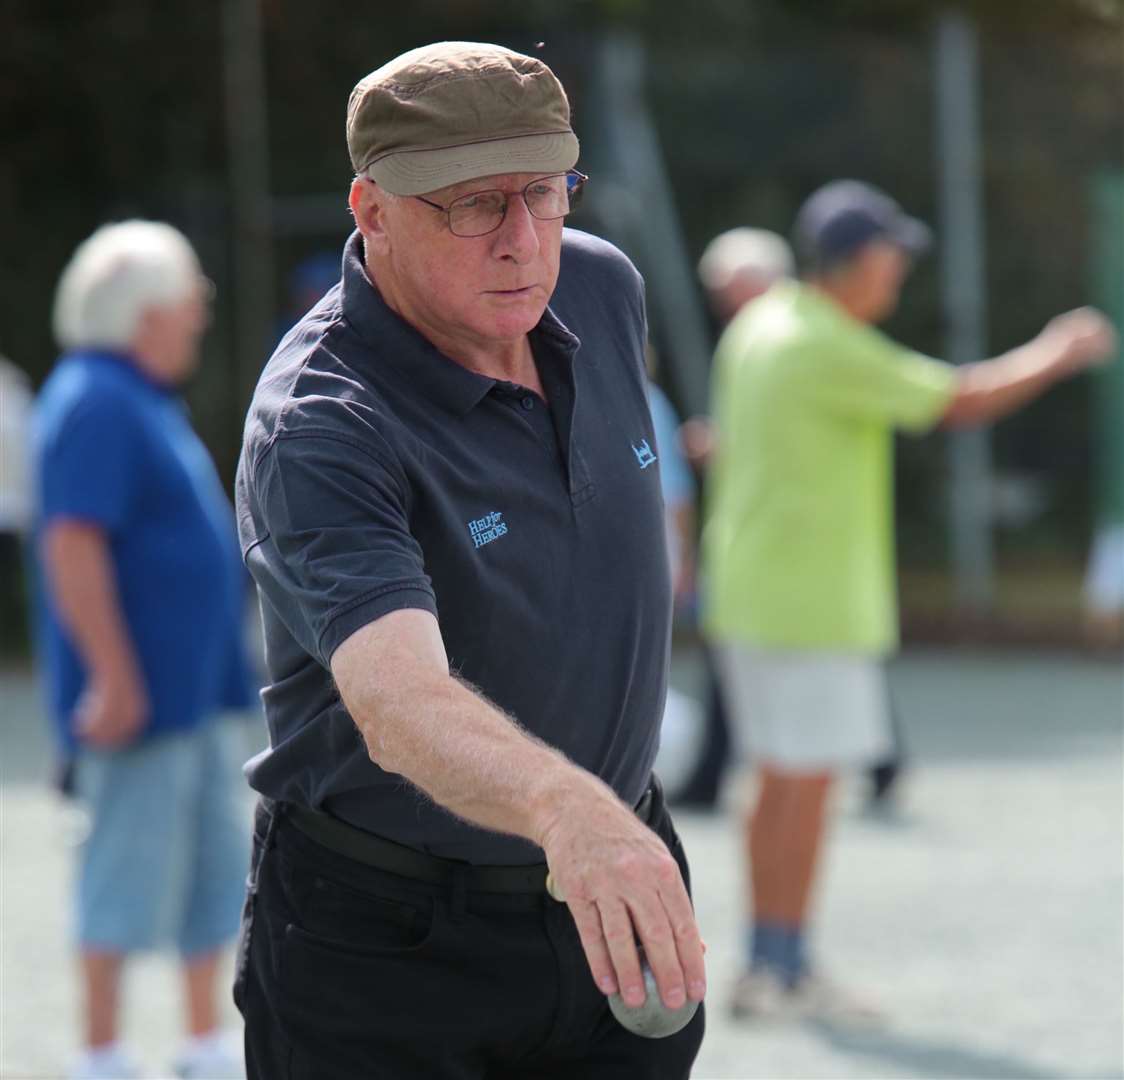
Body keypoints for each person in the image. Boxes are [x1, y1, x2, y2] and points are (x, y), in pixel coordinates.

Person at [233, 41, 706, 1079]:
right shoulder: (321, 424)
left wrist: (604, 829)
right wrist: (566, 807)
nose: (522, 242)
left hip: (609, 891)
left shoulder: (599, 289)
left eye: (542, 192)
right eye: (472, 205)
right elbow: (399, 705)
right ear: (371, 210)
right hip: (387, 943)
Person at [702, 179, 1117, 1020]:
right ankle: (781, 968)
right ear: (857, 260)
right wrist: (1060, 349)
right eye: (891, 255)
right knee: (802, 785)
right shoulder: (822, 340)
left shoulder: (762, 323)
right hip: (806, 606)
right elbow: (959, 400)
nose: (899, 274)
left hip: (754, 594)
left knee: (780, 782)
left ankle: (770, 963)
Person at [31, 221, 251, 1080]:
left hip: (192, 690)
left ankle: (200, 1043)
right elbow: (73, 545)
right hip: (140, 695)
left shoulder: (139, 396)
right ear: (146, 311)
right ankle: (102, 1054)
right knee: (122, 871)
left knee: (211, 867)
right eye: (190, 299)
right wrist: (114, 677)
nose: (200, 315)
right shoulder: (97, 398)